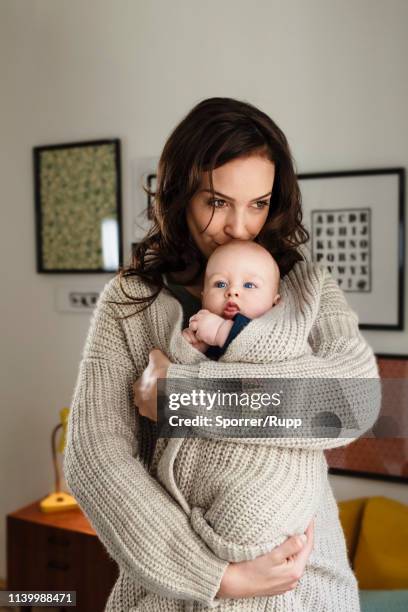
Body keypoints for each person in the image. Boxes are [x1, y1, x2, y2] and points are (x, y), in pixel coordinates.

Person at [64, 97, 379, 611]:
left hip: (302, 581)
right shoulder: (129, 303)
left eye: (258, 203)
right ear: (179, 194)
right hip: (174, 587)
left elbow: (353, 401)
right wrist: (216, 576)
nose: (239, 226)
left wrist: (181, 400)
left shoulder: (307, 290)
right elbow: (95, 458)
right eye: (217, 201)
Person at [181, 239, 281, 358]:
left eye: (249, 285)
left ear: (275, 303)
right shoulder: (204, 333)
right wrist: (193, 351)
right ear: (203, 298)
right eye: (220, 284)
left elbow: (272, 348)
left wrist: (220, 331)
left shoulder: (278, 332)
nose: (232, 291)